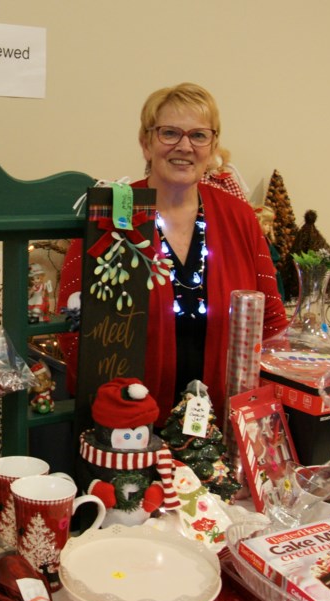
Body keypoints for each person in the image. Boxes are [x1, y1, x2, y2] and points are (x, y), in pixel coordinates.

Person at [57, 82, 287, 423]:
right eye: (169, 133)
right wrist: (114, 414)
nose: (184, 146)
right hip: (128, 426)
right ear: (146, 142)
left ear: (212, 146)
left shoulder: (238, 216)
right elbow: (74, 329)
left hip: (219, 424)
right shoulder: (111, 214)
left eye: (198, 135)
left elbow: (270, 322)